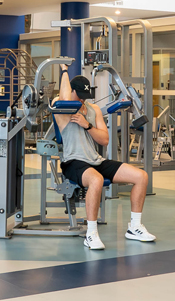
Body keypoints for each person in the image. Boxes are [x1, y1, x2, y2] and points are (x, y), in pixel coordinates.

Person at [53, 66, 156, 250]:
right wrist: (64, 71)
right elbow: (63, 98)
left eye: (86, 96)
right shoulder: (61, 106)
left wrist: (87, 125)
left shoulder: (93, 109)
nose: (83, 100)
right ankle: (91, 234)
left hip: (95, 160)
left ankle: (134, 227)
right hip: (73, 161)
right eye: (80, 96)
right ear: (72, 91)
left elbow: (105, 139)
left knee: (141, 177)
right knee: (96, 180)